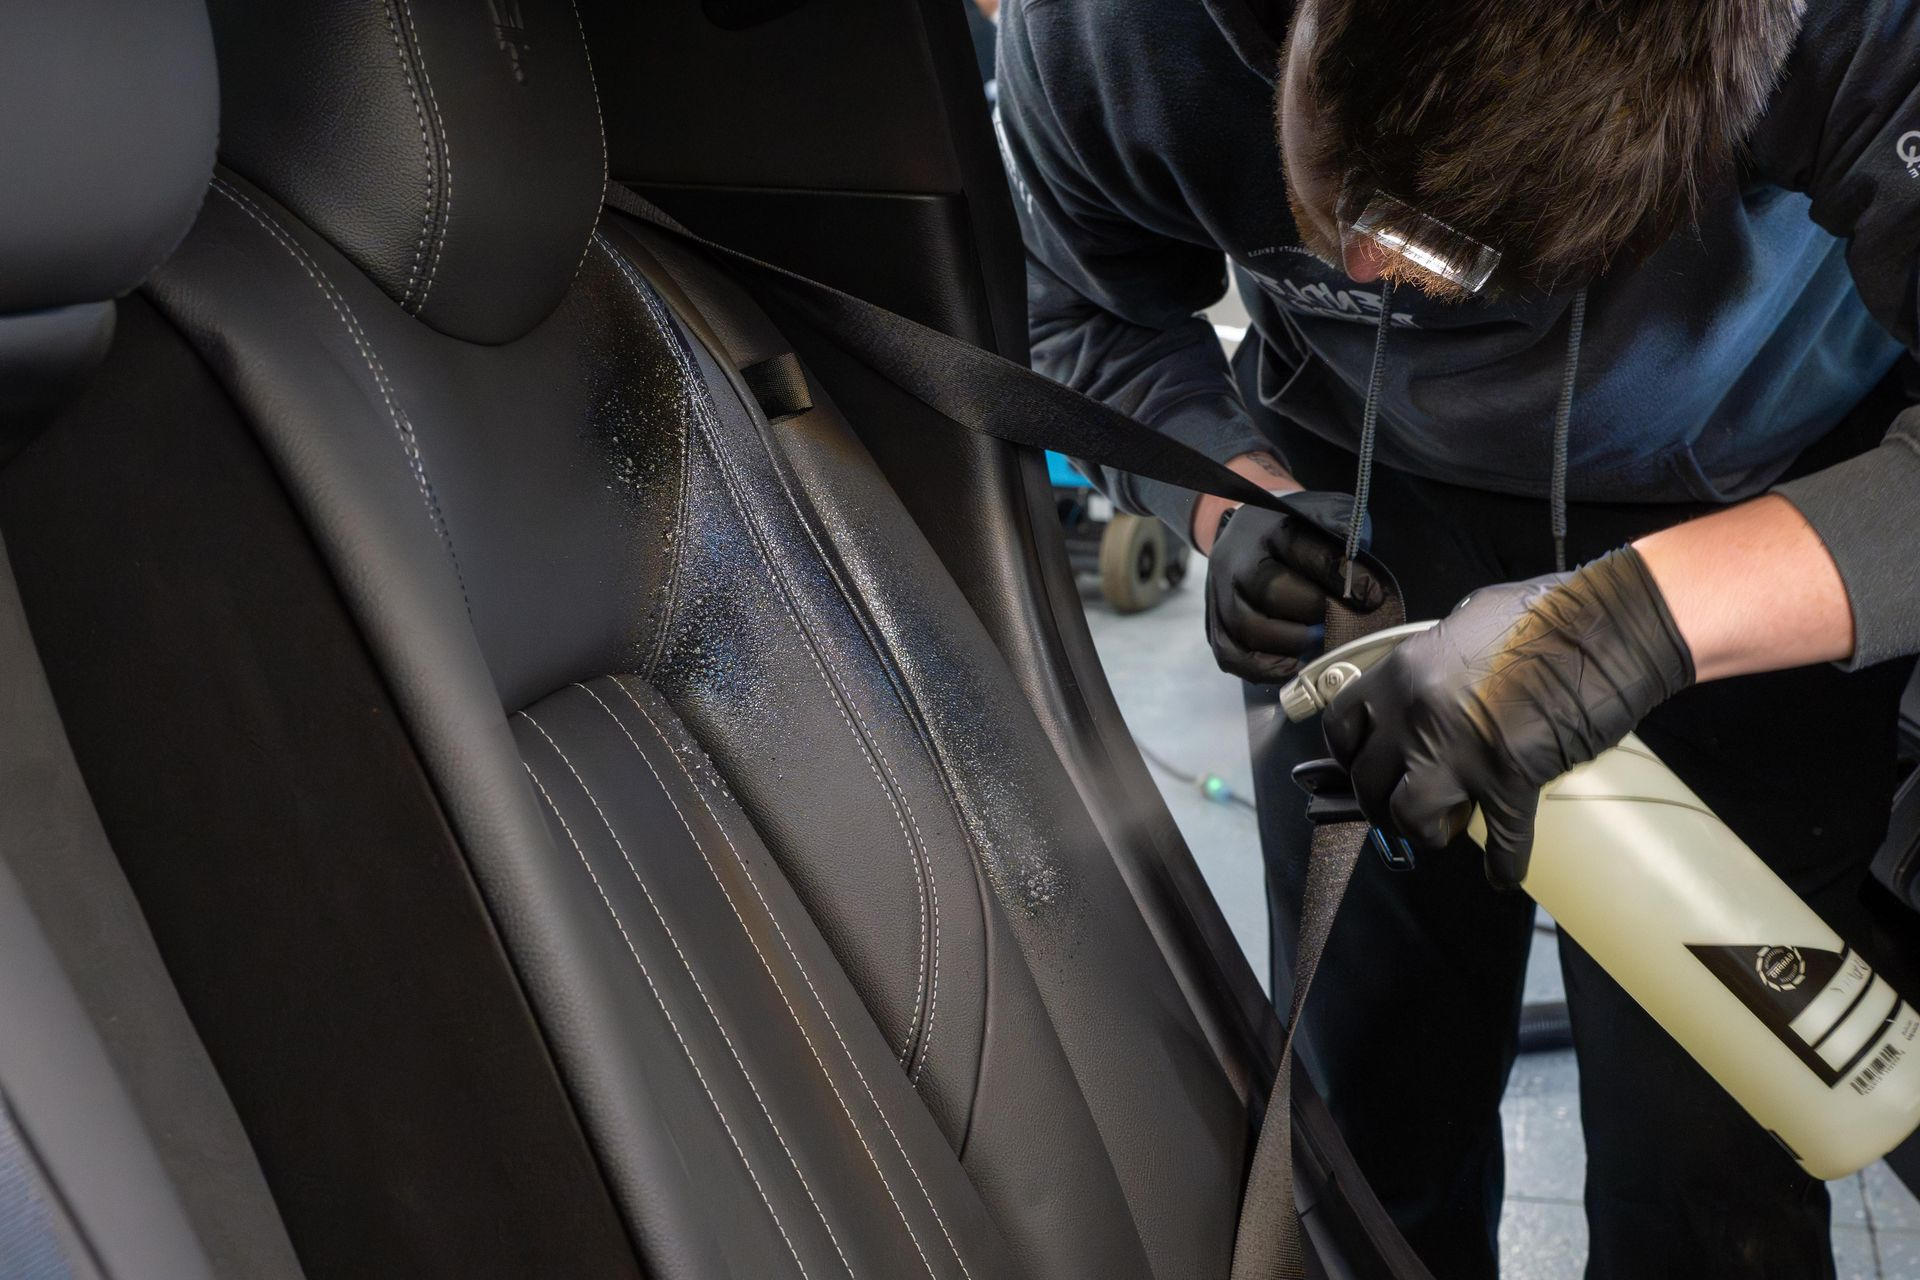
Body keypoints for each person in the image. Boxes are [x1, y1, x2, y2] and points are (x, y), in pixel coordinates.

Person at [993, 0, 1920, 1275]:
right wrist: (1228, 498)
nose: (1374, 283)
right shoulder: (1117, 33)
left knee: (1707, 1165)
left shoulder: (1851, 30)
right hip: (1369, 538)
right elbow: (1083, 312)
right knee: (1370, 1109)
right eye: (1350, 229)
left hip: (1756, 534)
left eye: (1448, 259)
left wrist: (1644, 620)